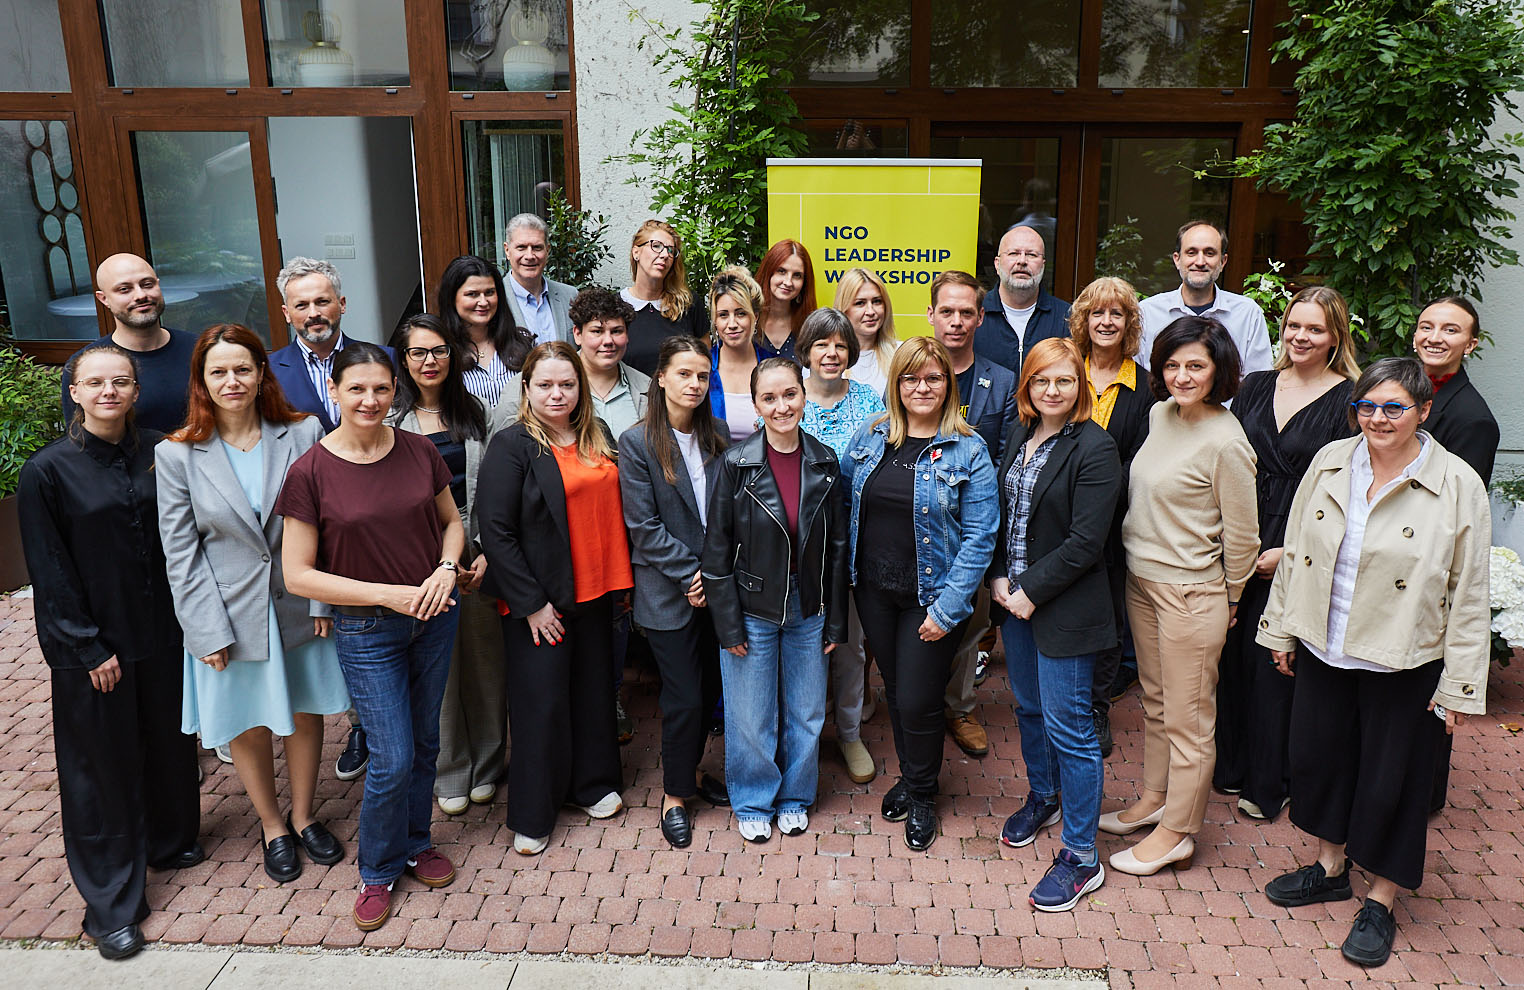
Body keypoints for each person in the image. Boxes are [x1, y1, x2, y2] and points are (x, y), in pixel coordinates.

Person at [1257, 357, 1489, 969]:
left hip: (1403, 658)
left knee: (1394, 778)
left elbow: (1470, 589)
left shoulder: (1457, 482)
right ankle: (1332, 867)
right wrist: (1282, 628)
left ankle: (1381, 898)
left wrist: (1460, 685)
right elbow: (1299, 546)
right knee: (1319, 759)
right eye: (1367, 406)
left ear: (1424, 411)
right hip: (1326, 643)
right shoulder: (1331, 460)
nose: (1378, 419)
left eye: (1394, 408)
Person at [19, 344, 202, 960]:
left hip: (165, 632)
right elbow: (51, 570)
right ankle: (110, 901)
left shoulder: (163, 449)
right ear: (74, 391)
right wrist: (85, 646)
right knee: (102, 768)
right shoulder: (47, 471)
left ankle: (171, 839)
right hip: (97, 644)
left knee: (169, 742)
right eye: (95, 383)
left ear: (135, 388)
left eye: (120, 381)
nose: (108, 392)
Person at [277, 342, 465, 932]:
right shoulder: (310, 470)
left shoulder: (416, 449)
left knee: (427, 741)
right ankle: (377, 870)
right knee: (392, 753)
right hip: (367, 628)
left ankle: (415, 843)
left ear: (395, 390)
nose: (370, 399)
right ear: (333, 390)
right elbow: (297, 573)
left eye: (381, 388)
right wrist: (386, 594)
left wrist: (445, 568)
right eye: (356, 388)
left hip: (434, 615)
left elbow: (452, 524)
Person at [157, 324, 349, 883]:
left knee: (305, 712)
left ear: (263, 372)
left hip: (300, 602)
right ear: (202, 381)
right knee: (249, 722)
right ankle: (272, 825)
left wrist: (322, 603)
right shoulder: (177, 455)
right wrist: (203, 629)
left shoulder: (304, 432)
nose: (232, 380)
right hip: (228, 612)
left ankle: (306, 814)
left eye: (243, 368)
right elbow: (181, 553)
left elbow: (328, 526)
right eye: (218, 371)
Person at [1103, 316, 1257, 876]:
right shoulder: (1159, 414)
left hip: (1192, 591)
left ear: (1219, 370)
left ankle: (1178, 831)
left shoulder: (1226, 440)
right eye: (1171, 364)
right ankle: (1153, 799)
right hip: (1142, 580)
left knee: (1190, 720)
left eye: (1196, 365)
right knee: (1157, 703)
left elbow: (1243, 536)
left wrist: (1232, 597)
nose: (1182, 376)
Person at [840, 337, 997, 851]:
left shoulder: (967, 448)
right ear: (897, 385)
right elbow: (844, 508)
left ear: (947, 385)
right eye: (910, 378)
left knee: (919, 700)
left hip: (931, 597)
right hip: (875, 593)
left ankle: (923, 792)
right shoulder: (870, 438)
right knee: (897, 690)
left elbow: (980, 536)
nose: (921, 387)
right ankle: (910, 778)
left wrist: (949, 609)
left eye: (932, 378)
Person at [477, 341, 630, 855]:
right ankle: (533, 812)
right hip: (540, 599)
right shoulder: (512, 445)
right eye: (545, 384)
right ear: (526, 389)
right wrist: (531, 604)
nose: (557, 393)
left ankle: (590, 785)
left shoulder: (597, 435)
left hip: (596, 589)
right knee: (540, 704)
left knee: (592, 693)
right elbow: (495, 532)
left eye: (567, 383)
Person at [1213, 287, 1359, 821]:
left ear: (1335, 336)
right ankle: (1229, 766)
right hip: (1242, 532)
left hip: (1302, 539)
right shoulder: (1254, 386)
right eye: (1294, 326)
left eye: (1315, 329)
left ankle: (1269, 781)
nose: (1301, 337)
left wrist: (1291, 551)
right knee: (1229, 656)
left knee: (1274, 663)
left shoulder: (1351, 399)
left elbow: (1348, 491)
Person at [990, 337, 1122, 911]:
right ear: (1027, 386)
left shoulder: (1096, 448)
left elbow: (1087, 542)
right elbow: (1000, 514)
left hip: (1062, 609)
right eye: (1041, 380)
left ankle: (1081, 856)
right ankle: (1044, 795)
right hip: (1013, 601)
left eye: (1063, 381)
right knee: (1027, 707)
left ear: (1081, 388)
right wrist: (999, 578)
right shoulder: (1020, 434)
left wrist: (1030, 593)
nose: (1051, 391)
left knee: (1072, 730)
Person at [701, 357, 848, 843]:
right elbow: (716, 548)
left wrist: (835, 621)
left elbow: (837, 549)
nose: (782, 406)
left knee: (806, 711)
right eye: (770, 397)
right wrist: (727, 623)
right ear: (756, 404)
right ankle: (753, 799)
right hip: (752, 606)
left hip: (809, 607)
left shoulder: (826, 462)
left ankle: (795, 797)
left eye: (790, 394)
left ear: (803, 395)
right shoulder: (735, 464)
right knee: (750, 714)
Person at [268, 256, 393, 782]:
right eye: (303, 304)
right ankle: (341, 721)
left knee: (371, 628)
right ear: (286, 312)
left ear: (342, 302)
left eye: (323, 300)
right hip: (303, 521)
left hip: (373, 519)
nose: (315, 312)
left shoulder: (383, 358)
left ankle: (369, 727)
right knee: (323, 635)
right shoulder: (270, 373)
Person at [386, 314, 504, 817]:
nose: (429, 361)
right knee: (438, 670)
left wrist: (490, 557)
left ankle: (490, 765)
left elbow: (501, 491)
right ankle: (450, 770)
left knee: (485, 664)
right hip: (418, 560)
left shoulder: (479, 413)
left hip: (476, 552)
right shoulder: (389, 419)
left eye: (438, 351)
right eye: (418, 352)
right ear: (403, 359)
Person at [619, 336, 732, 848]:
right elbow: (643, 527)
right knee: (684, 698)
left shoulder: (720, 436)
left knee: (709, 694)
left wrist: (717, 576)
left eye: (702, 376)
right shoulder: (638, 442)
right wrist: (696, 575)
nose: (694, 384)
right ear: (660, 378)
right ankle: (674, 795)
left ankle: (691, 775)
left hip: (717, 589)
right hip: (670, 592)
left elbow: (729, 517)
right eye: (683, 374)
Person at [1410, 296, 1500, 815]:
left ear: (1471, 343)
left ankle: (1423, 797)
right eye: (1427, 326)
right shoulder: (1398, 390)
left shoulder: (1471, 418)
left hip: (1426, 569)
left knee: (1425, 695)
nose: (1434, 337)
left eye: (1450, 329)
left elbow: (1458, 512)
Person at [928, 270, 1017, 759]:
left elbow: (1004, 458)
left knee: (967, 621)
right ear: (931, 315)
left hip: (973, 530)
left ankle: (959, 707)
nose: (957, 322)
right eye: (948, 311)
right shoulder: (912, 371)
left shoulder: (1001, 381)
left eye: (967, 312)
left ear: (981, 317)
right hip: (918, 526)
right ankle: (914, 705)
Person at [1068, 277, 1156, 756]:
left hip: (1115, 521)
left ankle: (1095, 708)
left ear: (1129, 324)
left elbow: (1140, 456)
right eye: (1097, 313)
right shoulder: (1062, 368)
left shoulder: (1145, 385)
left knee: (1106, 618)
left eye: (1116, 314)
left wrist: (1097, 496)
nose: (1106, 322)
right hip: (1055, 516)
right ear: (1084, 319)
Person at [798, 308, 886, 784]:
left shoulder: (871, 400)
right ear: (806, 351)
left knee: (850, 646)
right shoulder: (790, 396)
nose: (831, 354)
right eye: (821, 345)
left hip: (854, 542)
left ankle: (849, 732)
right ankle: (805, 738)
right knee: (806, 645)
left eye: (839, 345)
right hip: (798, 545)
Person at [60, 253, 196, 433]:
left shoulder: (201, 350)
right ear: (104, 299)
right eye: (124, 289)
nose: (140, 295)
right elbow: (83, 447)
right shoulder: (86, 367)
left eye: (147, 284)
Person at [1137, 220, 1273, 375]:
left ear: (1222, 262)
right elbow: (1137, 381)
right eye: (1191, 252)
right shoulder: (1147, 313)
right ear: (1177, 259)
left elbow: (1258, 381)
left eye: (1209, 253)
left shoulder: (1247, 314)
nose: (1200, 262)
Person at [973, 225, 1072, 376]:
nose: (1022, 261)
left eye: (1031, 255)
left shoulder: (1067, 317)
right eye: (1013, 253)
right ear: (997, 264)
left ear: (1043, 265)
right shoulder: (973, 315)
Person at [439, 255, 535, 409]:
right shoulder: (440, 352)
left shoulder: (522, 342)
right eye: (472, 294)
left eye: (489, 292)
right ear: (451, 298)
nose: (483, 302)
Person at [622, 220, 708, 375]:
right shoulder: (616, 306)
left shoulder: (688, 304)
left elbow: (704, 364)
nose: (664, 255)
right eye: (656, 246)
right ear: (636, 252)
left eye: (670, 250)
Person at [571, 287, 650, 440]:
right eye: (597, 331)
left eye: (616, 331)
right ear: (578, 334)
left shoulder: (648, 390)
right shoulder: (544, 384)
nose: (608, 341)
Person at [707, 266, 767, 442]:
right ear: (715, 321)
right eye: (723, 315)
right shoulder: (703, 368)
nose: (732, 324)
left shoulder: (774, 366)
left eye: (740, 313)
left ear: (755, 316)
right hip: (714, 467)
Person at [501, 212, 576, 344]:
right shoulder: (496, 298)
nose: (529, 256)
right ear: (507, 250)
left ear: (547, 250)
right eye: (521, 247)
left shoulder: (570, 296)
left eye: (537, 248)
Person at [833, 267, 899, 397]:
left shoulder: (902, 354)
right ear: (844, 309)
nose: (870, 311)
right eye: (860, 303)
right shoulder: (822, 358)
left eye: (877, 302)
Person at [754, 239, 819, 361]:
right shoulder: (746, 319)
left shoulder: (811, 328)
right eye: (781, 271)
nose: (788, 282)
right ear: (768, 272)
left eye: (797, 275)